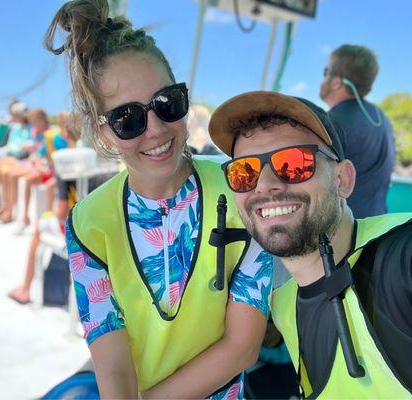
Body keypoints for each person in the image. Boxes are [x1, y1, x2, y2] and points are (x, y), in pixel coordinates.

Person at [45, 1, 272, 398]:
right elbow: (112, 364)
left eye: (167, 103)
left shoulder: (242, 185)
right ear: (103, 135)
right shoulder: (88, 223)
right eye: (127, 119)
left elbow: (242, 346)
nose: (155, 130)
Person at [208, 90, 412, 398]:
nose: (266, 184)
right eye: (244, 172)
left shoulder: (410, 256)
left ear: (343, 180)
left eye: (294, 163)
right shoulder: (285, 304)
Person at [320, 44, 395, 218]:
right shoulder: (381, 118)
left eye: (326, 72)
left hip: (347, 234)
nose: (323, 79)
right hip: (377, 228)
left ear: (337, 81)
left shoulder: (331, 123)